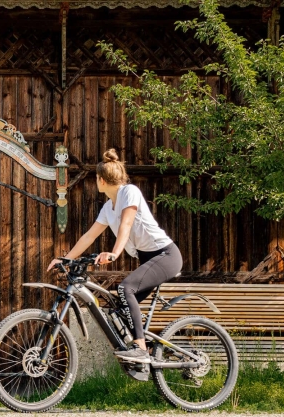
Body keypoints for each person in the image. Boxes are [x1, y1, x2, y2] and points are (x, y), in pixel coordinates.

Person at [47, 148, 183, 363]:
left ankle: (139, 347)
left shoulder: (129, 192)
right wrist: (65, 259)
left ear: (101, 180)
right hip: (149, 259)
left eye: (96, 179)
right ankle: (146, 353)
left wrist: (114, 253)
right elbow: (88, 237)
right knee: (120, 307)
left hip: (166, 255)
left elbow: (126, 224)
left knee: (125, 287)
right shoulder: (108, 208)